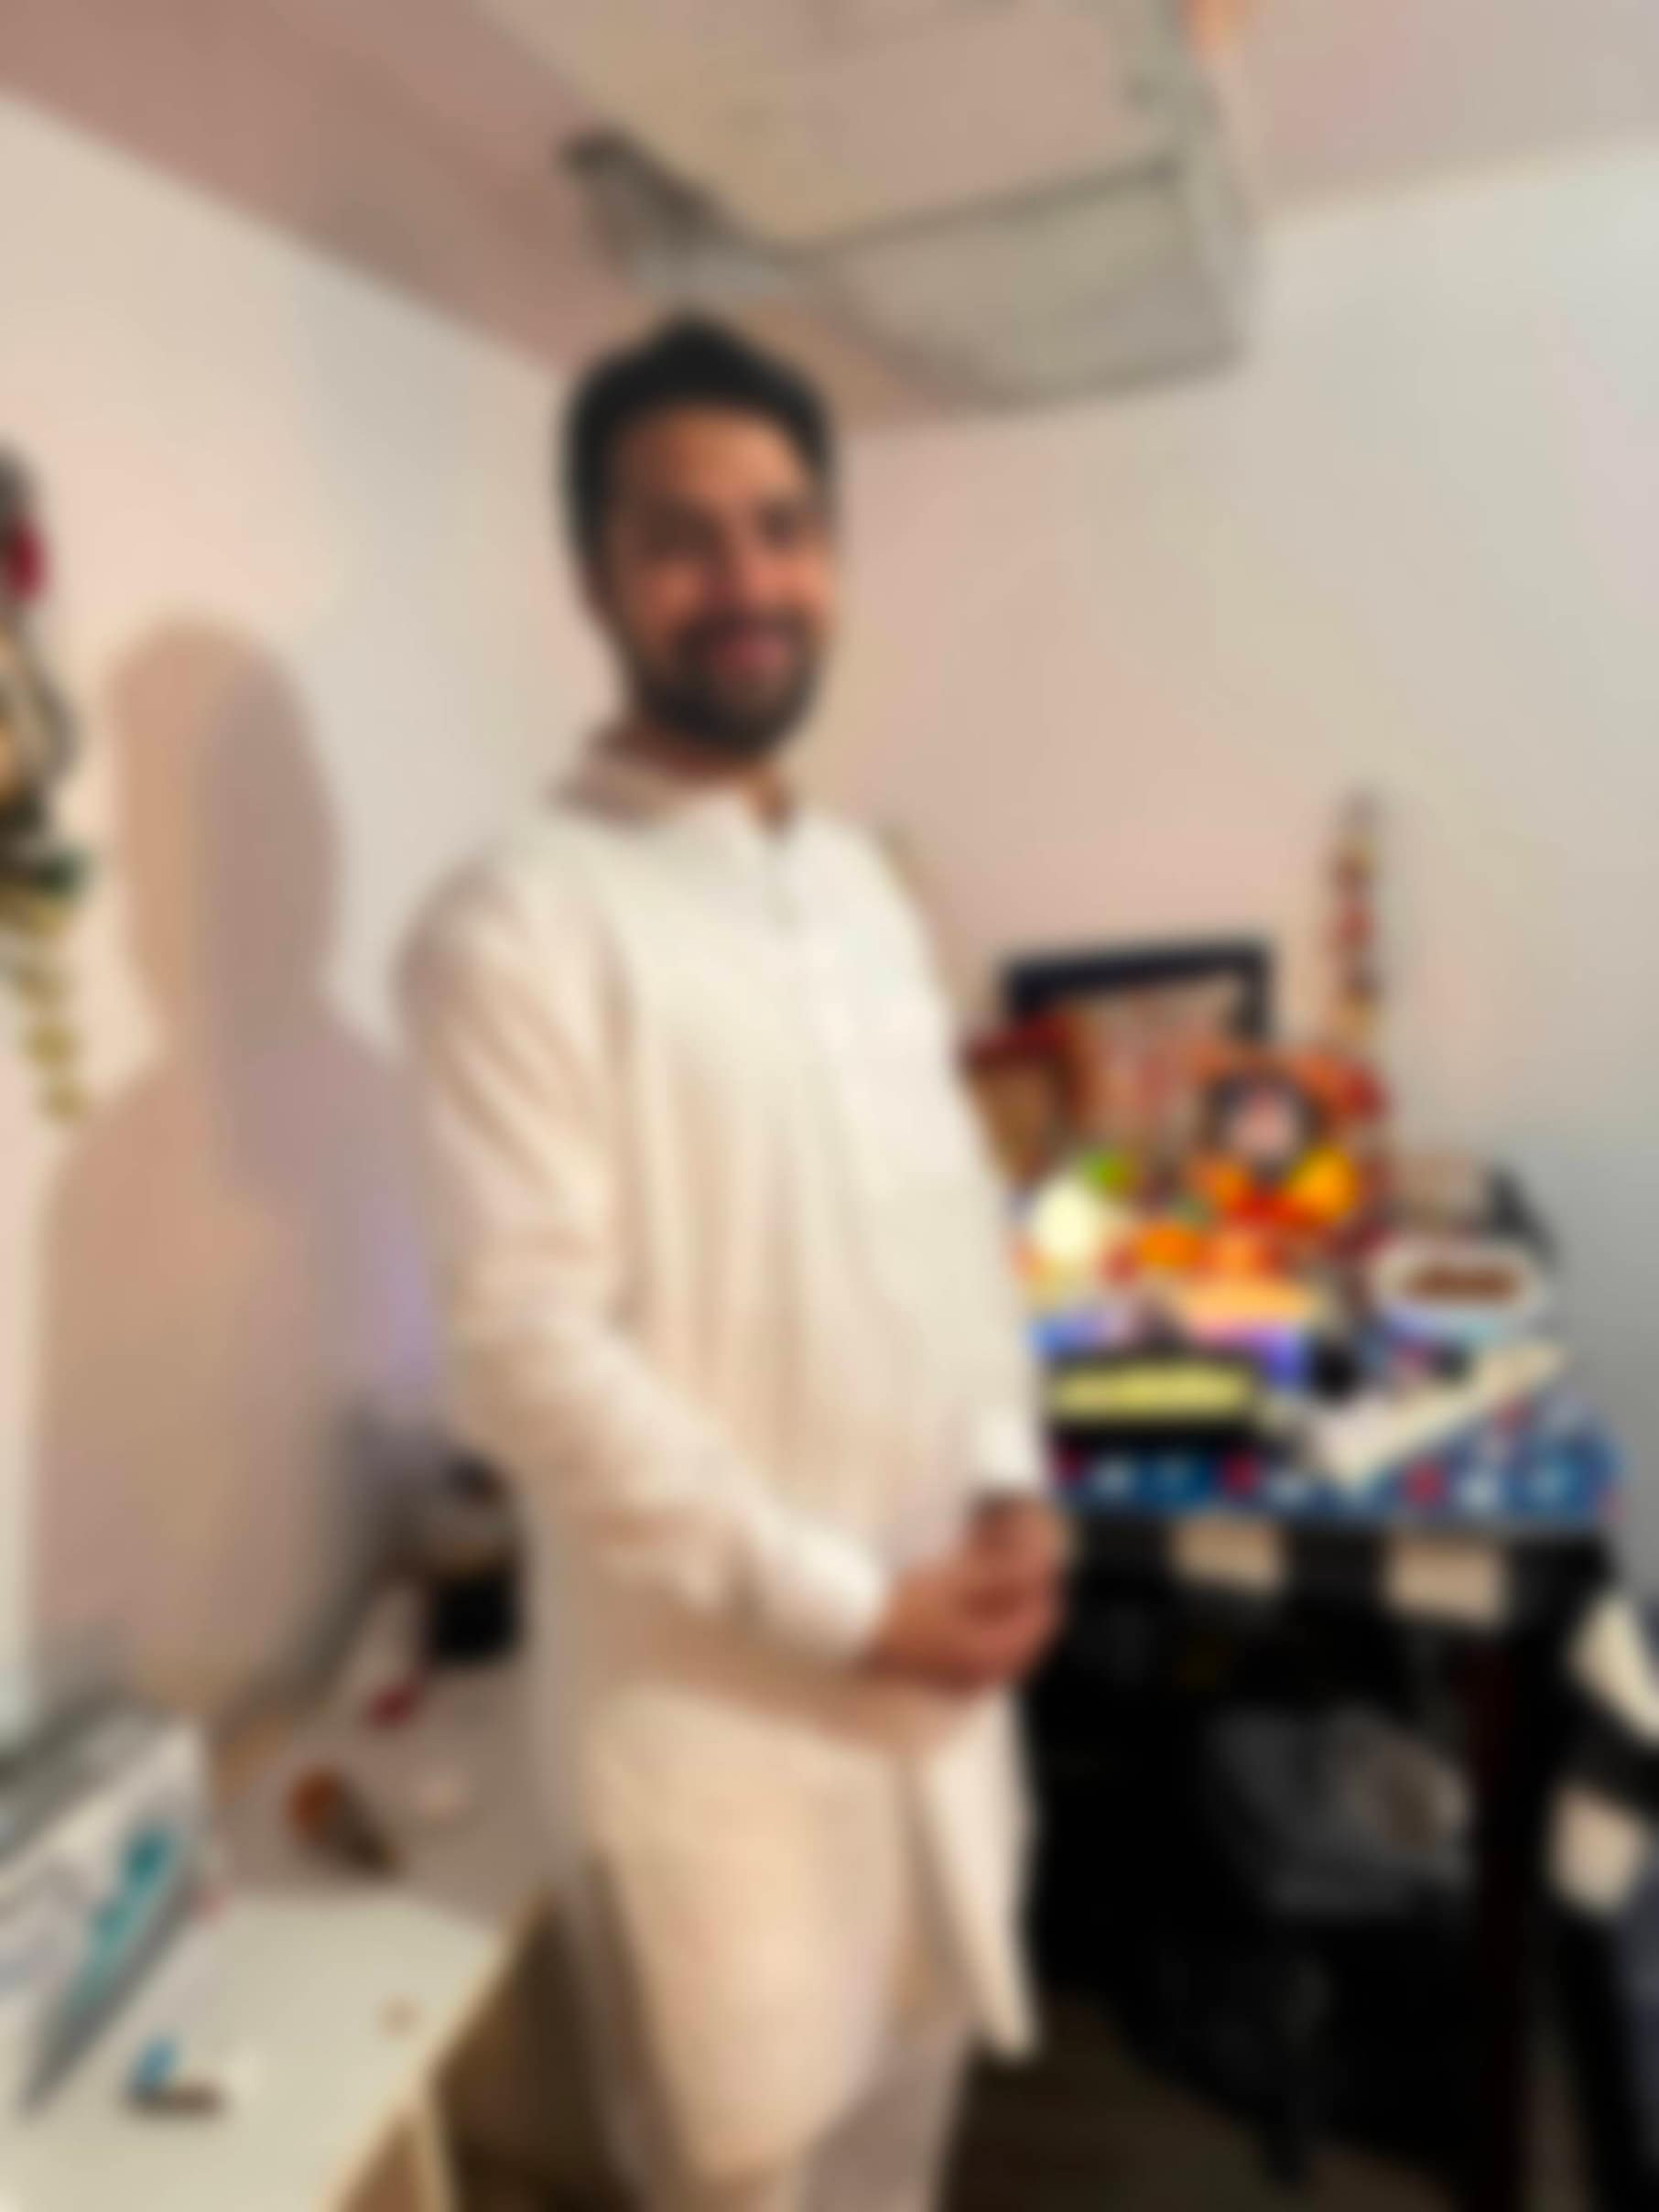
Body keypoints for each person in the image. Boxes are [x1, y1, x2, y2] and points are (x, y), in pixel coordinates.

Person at [400, 319, 1067, 2212]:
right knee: (746, 2174)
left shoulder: (860, 887)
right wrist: (853, 1607)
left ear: (832, 551)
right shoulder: (515, 923)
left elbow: (951, 1225)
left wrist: (1009, 1477)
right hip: (725, 1748)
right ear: (593, 577)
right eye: (680, 539)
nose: (746, 580)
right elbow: (525, 1357)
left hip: (938, 1706)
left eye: (783, 526)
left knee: (899, 2163)